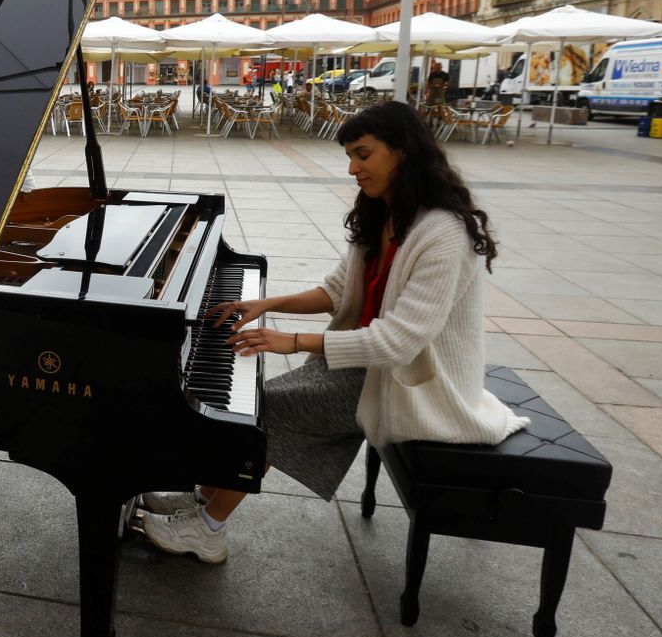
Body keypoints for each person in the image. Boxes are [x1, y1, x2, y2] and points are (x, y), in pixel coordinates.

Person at [139, 100, 527, 564]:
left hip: (415, 383)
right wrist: (268, 303)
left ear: (402, 151)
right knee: (261, 404)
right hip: (368, 365)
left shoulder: (443, 234)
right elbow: (336, 291)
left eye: (363, 155)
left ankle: (208, 528)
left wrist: (295, 341)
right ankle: (203, 498)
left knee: (271, 411)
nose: (352, 169)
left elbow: (401, 342)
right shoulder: (385, 214)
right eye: (350, 157)